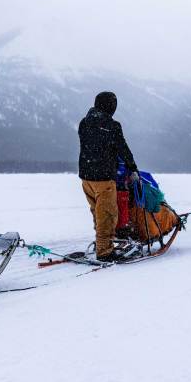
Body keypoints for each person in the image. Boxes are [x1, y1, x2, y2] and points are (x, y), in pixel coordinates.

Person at [78, 91, 138, 261]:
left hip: (86, 177)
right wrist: (133, 167)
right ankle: (104, 251)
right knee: (108, 215)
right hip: (103, 178)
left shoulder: (84, 123)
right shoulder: (112, 126)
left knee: (97, 213)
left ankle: (101, 243)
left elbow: (92, 144)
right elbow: (123, 149)